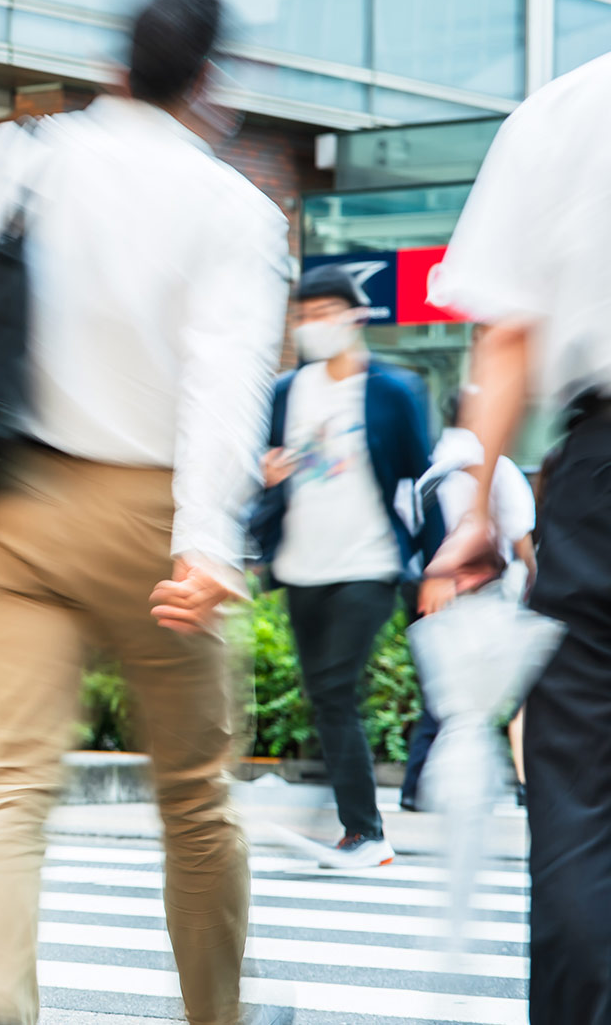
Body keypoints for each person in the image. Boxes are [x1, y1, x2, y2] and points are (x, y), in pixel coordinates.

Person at [0, 0, 291, 1025]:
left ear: (118, 62)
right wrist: (207, 546)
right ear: (210, 81)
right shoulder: (231, 209)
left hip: (19, 498)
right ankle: (214, 1014)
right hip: (153, 519)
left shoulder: (20, 153)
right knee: (194, 799)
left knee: (13, 787)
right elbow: (225, 383)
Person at [424, 47, 611, 1025]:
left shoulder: (559, 114)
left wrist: (471, 520)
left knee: (576, 799)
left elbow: (502, 336)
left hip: (600, 471)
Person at [247, 265, 442, 868]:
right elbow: (269, 474)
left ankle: (366, 834)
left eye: (326, 312)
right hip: (303, 566)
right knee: (327, 697)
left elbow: (425, 480)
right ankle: (355, 826)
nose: (314, 325)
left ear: (357, 316)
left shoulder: (392, 391)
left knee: (334, 687)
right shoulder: (287, 392)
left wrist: (436, 566)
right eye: (304, 315)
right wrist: (265, 479)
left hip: (370, 564)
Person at [397, 387, 536, 811]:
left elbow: (406, 527)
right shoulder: (499, 468)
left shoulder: (426, 469)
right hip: (486, 594)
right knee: (494, 694)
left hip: (428, 589)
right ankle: (489, 785)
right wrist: (533, 578)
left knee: (440, 691)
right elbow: (519, 535)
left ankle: (418, 784)